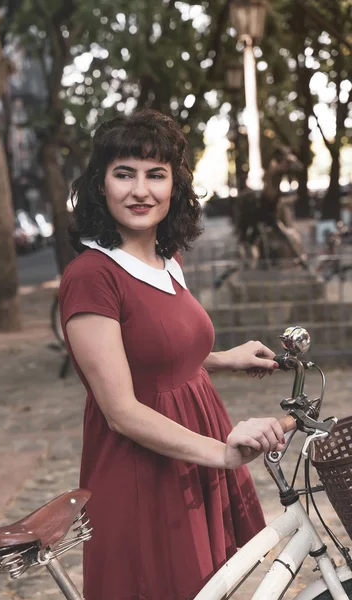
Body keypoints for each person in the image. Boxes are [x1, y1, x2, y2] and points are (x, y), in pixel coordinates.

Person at [59, 109, 284, 600]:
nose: (140, 190)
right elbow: (120, 410)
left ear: (174, 188)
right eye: (124, 174)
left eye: (155, 175)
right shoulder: (92, 276)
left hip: (192, 449)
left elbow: (153, 352)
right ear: (101, 185)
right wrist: (222, 453)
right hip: (146, 469)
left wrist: (222, 357)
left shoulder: (166, 259)